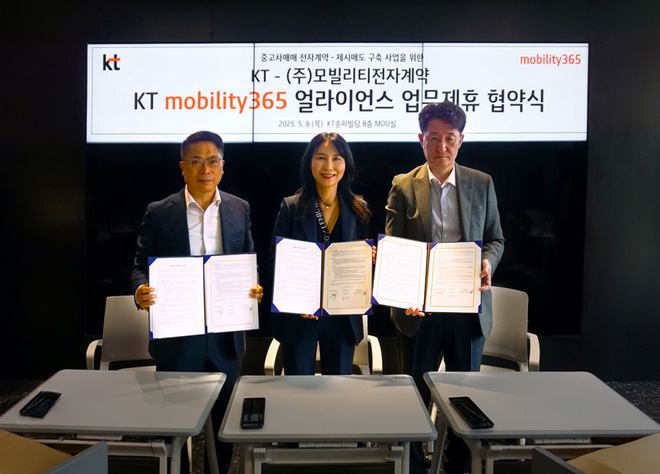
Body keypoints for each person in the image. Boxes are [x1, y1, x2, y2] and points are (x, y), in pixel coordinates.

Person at [131, 130, 263, 474]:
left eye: (213, 161)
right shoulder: (160, 212)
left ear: (223, 166)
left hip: (225, 334)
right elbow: (140, 265)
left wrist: (254, 287)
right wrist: (140, 290)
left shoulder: (238, 208)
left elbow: (247, 258)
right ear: (183, 167)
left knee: (224, 421)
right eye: (197, 161)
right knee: (174, 421)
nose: (206, 169)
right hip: (178, 335)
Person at [385, 101, 504, 474]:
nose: (442, 147)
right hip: (418, 310)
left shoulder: (481, 183)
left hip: (466, 309)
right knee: (414, 395)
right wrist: (403, 293)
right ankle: (414, 466)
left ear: (460, 140)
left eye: (449, 138)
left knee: (464, 398)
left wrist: (488, 262)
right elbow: (394, 248)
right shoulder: (404, 186)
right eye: (433, 138)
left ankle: (457, 466)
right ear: (421, 139)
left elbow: (495, 240)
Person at [269, 132, 371, 375]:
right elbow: (276, 262)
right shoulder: (291, 206)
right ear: (309, 163)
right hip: (300, 316)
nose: (329, 166)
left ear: (346, 164)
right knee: (298, 389)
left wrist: (370, 260)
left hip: (342, 316)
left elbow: (361, 269)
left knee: (338, 391)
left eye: (337, 158)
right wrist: (296, 301)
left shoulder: (358, 209)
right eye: (321, 158)